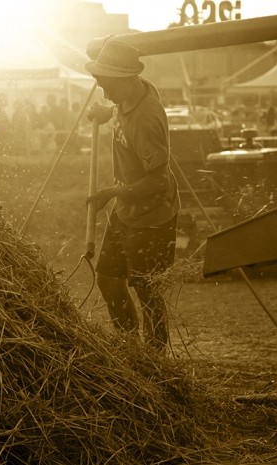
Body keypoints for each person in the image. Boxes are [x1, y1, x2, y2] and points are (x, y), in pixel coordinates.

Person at [84, 40, 180, 353]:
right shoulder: (136, 90)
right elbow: (124, 103)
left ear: (125, 80)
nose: (103, 92)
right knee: (110, 280)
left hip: (152, 215)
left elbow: (160, 181)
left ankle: (154, 360)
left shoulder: (146, 120)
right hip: (127, 208)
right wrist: (108, 111)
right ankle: (130, 350)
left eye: (106, 85)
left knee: (147, 290)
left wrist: (112, 193)